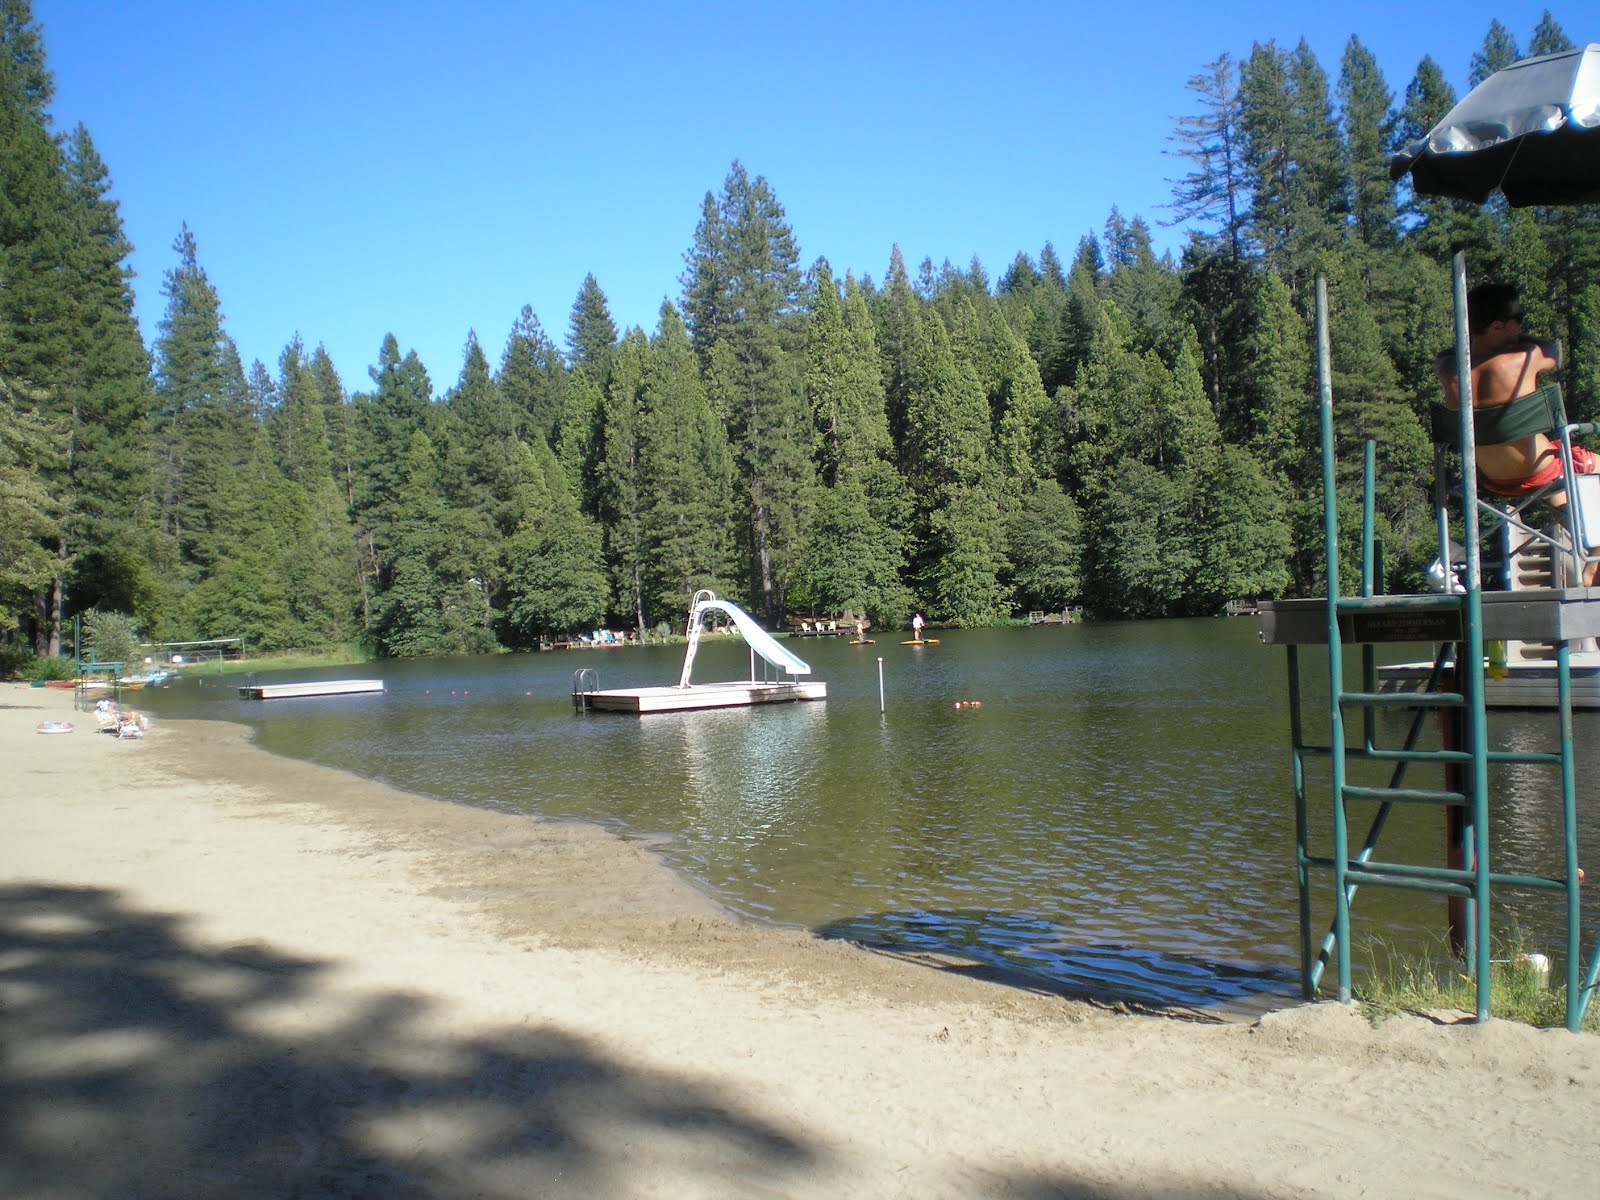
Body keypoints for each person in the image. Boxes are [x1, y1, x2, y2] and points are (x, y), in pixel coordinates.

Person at [1435, 283, 1587, 496]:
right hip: (1538, 469)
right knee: (1584, 467)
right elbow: (1552, 353)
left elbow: (1456, 350)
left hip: (1489, 478)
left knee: (1556, 495)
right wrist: (1516, 340)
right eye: (1519, 319)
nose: (1521, 327)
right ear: (1496, 327)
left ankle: (1576, 527)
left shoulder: (1446, 366)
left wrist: (1477, 338)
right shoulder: (1525, 357)